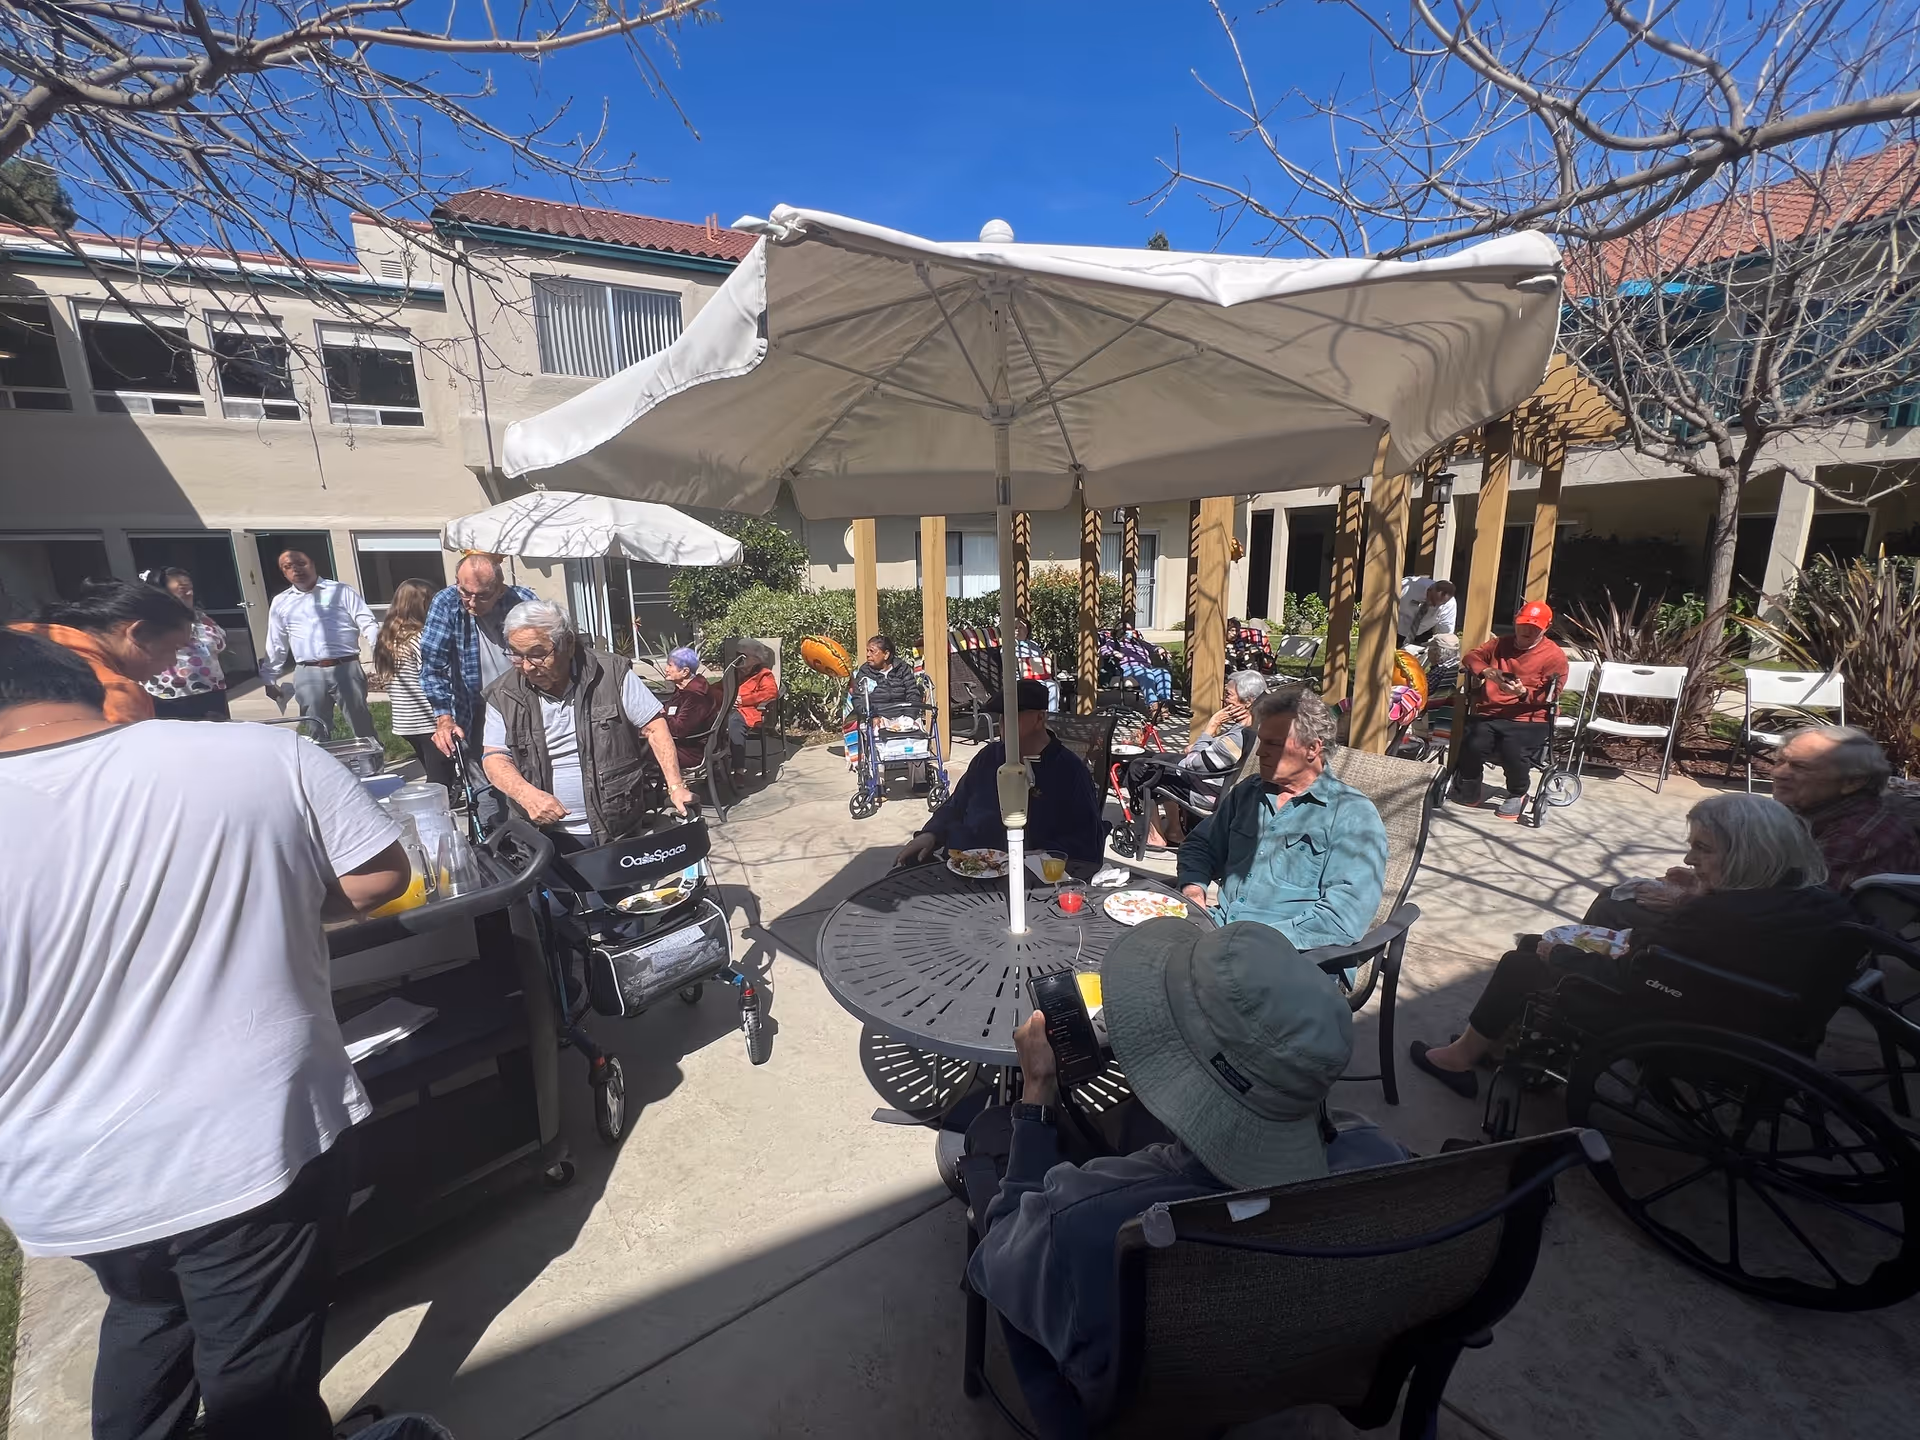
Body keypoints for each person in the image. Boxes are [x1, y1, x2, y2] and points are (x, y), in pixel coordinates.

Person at [0, 629, 410, 1440]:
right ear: (90, 681)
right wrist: (277, 905)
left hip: (65, 1176)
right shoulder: (260, 757)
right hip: (251, 1145)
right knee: (259, 1379)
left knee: (147, 1308)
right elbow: (380, 879)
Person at [968, 919, 1407, 1412]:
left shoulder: (1082, 1218)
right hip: (1269, 1365)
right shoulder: (1380, 1159)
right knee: (1133, 1125)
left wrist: (1036, 1094)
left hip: (1124, 1409)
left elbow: (998, 1253)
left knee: (987, 1136)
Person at [1410, 793, 1859, 1099]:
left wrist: (1563, 955)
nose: (1689, 859)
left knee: (1522, 960)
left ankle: (1460, 1058)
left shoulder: (1713, 918)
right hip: (1767, 1030)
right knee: (1549, 941)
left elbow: (1641, 980)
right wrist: (1700, 891)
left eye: (1702, 849)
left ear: (1747, 854)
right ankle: (1506, 1045)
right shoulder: (1823, 906)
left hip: (1685, 1030)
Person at [1176, 686, 1387, 948]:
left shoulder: (1351, 813)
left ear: (1312, 748)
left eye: (1273, 744)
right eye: (1262, 741)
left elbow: (1343, 918)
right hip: (1218, 933)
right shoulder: (1248, 794)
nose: (1260, 752)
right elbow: (1201, 845)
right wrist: (1194, 890)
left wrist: (1250, 943)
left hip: (1291, 955)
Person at [480, 600, 693, 849]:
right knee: (555, 889)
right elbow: (494, 757)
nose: (526, 666)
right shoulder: (503, 693)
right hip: (538, 835)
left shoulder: (612, 673)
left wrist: (676, 786)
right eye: (516, 654)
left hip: (615, 828)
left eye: (537, 654)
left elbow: (655, 726)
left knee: (621, 889)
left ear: (568, 644)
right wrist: (525, 795)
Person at [895, 678, 1103, 865]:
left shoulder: (1069, 770)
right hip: (964, 862)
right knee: (900, 874)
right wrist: (930, 833)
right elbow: (956, 803)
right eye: (1002, 716)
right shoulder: (989, 756)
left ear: (1040, 718)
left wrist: (1041, 856)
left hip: (1024, 873)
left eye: (1014, 715)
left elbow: (1087, 842)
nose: (1003, 723)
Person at [419, 553, 539, 805]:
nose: (471, 602)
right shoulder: (446, 602)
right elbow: (433, 665)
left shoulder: (524, 601)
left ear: (499, 588)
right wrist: (444, 719)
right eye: (465, 592)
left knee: (531, 777)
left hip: (525, 706)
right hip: (475, 710)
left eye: (482, 595)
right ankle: (494, 838)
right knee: (486, 788)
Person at [10, 579, 194, 723]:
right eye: (174, 648)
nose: (173, 662)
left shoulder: (17, 643)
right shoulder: (112, 694)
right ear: (139, 633)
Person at [1451, 599, 1570, 819]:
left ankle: (1518, 793)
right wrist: (1487, 671)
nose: (1527, 630)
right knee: (1472, 741)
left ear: (1546, 628)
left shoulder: (1554, 656)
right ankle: (1470, 785)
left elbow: (1552, 695)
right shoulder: (1499, 644)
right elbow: (1470, 657)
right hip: (1492, 711)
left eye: (1534, 627)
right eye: (1523, 623)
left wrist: (1523, 693)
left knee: (1512, 748)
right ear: (1515, 621)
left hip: (1529, 717)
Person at [1769, 724, 1920, 892]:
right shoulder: (1806, 812)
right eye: (1780, 761)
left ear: (1852, 782)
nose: (1778, 773)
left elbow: (1805, 906)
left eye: (1800, 767)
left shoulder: (1859, 837)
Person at [1132, 669, 1266, 847]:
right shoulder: (1255, 727)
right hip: (1217, 784)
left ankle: (1155, 837)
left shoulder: (1238, 736)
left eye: (1228, 694)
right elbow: (1214, 754)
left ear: (1248, 702)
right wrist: (1199, 747)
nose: (1223, 699)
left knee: (1141, 767)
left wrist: (1212, 725)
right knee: (1162, 761)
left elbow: (1193, 765)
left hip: (1207, 793)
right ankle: (1174, 830)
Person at [259, 549, 380, 739]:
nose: (296, 569)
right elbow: (276, 641)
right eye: (288, 567)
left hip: (346, 668)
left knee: (360, 722)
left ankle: (374, 765)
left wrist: (382, 656)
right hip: (307, 672)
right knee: (314, 726)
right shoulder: (281, 602)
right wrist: (269, 678)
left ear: (313, 564)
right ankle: (323, 765)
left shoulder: (341, 591)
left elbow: (368, 623)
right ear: (283, 573)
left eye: (301, 563)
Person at [373, 578, 453, 789]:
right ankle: (435, 811)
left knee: (432, 767)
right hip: (428, 718)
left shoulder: (386, 639)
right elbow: (433, 672)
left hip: (404, 721)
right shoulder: (420, 638)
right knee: (439, 779)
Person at [141, 567, 231, 720]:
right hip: (169, 695)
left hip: (210, 691)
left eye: (190, 589)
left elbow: (220, 643)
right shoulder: (149, 622)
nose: (189, 594)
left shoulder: (201, 618)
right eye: (182, 590)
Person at [661, 646, 723, 770]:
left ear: (685, 671)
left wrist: (661, 714)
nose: (666, 669)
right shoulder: (685, 690)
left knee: (634, 750)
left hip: (691, 751)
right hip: (683, 745)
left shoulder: (695, 697)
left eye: (670, 666)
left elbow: (679, 730)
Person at [729, 647, 781, 783]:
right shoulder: (735, 672)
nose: (740, 658)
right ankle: (714, 765)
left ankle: (739, 770)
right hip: (726, 708)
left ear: (755, 659)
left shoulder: (764, 674)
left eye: (743, 656)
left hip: (747, 711)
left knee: (734, 723)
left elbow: (771, 693)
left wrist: (743, 700)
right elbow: (719, 687)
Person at [1099, 626, 1173, 719]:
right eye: (1128, 630)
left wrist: (1160, 650)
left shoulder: (1138, 642)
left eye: (1131, 629)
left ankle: (1164, 705)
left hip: (1146, 667)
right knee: (1146, 674)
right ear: (1121, 631)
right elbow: (1102, 650)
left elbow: (1153, 646)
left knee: (1163, 673)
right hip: (1128, 668)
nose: (1132, 631)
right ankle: (1153, 706)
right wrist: (1114, 653)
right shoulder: (1113, 642)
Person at [849, 633, 920, 714]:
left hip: (902, 718)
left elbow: (913, 694)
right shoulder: (864, 672)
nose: (868, 655)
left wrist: (909, 717)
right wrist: (872, 717)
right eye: (867, 651)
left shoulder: (902, 669)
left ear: (886, 654)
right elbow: (859, 699)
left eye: (872, 651)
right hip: (876, 718)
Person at [1397, 576, 1457, 645]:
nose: (1432, 605)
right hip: (1395, 629)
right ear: (1429, 589)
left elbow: (1445, 634)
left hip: (1421, 635)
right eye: (1432, 599)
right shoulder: (1408, 587)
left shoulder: (1449, 605)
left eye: (1437, 604)